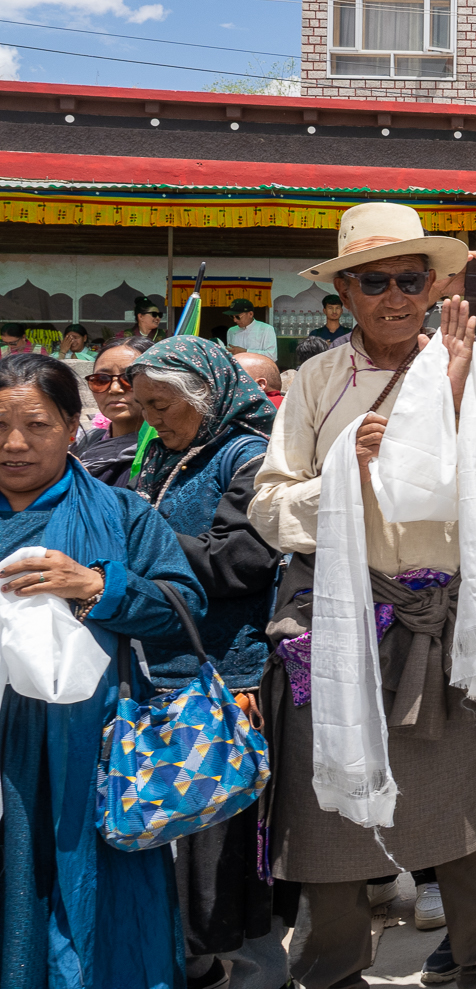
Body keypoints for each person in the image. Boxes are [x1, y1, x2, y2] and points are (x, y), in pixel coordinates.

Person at [249, 202, 476, 989]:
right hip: (342, 622)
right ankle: (332, 972)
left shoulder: (472, 365)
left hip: (442, 625)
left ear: (432, 287)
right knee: (332, 827)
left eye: (409, 279)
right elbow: (269, 508)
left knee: (466, 826)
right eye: (372, 281)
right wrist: (346, 471)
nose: (393, 296)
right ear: (344, 292)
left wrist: (456, 401)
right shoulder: (317, 381)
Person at [0, 351, 208, 989]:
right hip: (5, 747)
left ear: (73, 426)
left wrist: (97, 585)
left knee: (94, 901)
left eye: (36, 425)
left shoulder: (122, 515)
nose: (14, 444)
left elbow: (182, 608)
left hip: (92, 744)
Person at [125, 336, 286, 989]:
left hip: (225, 676)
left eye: (162, 405)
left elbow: (240, 561)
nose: (151, 419)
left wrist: (142, 533)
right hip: (165, 670)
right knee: (176, 830)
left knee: (223, 841)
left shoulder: (248, 457)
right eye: (144, 406)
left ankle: (255, 973)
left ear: (207, 397)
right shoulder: (162, 455)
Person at [74, 339, 150, 484]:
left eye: (129, 378)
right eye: (101, 379)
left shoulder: (161, 457)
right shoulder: (85, 444)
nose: (114, 389)